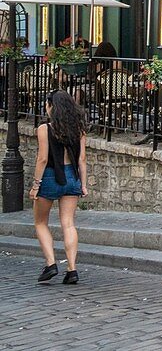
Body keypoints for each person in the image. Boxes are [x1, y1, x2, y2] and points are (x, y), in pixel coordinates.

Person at [29, 90, 88, 285]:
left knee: (40, 222)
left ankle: (51, 263)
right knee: (68, 224)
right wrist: (83, 185)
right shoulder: (79, 128)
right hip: (72, 177)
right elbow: (82, 159)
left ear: (52, 106)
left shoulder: (45, 128)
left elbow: (43, 159)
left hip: (50, 177)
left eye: (47, 104)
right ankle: (72, 269)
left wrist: (36, 185)